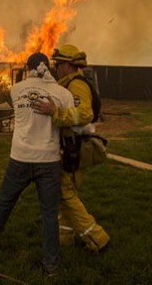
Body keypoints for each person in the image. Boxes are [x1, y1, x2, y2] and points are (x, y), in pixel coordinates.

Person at [0, 52, 75, 276]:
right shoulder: (63, 93)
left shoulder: (16, 90)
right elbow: (72, 120)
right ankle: (51, 266)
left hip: (19, 157)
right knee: (49, 213)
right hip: (49, 160)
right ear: (49, 68)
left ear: (27, 68)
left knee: (4, 202)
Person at [31, 44, 110, 253]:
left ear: (68, 64)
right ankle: (64, 237)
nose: (56, 67)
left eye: (58, 64)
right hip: (69, 148)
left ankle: (97, 238)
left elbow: (83, 113)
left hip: (73, 148)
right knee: (62, 195)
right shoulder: (67, 84)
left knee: (65, 195)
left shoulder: (76, 85)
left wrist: (55, 113)